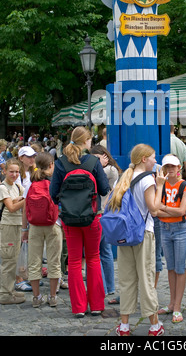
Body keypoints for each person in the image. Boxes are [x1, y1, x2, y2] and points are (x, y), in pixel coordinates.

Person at [49, 127, 110, 318]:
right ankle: (97, 305)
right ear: (86, 142)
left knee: (74, 262)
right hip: (92, 217)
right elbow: (104, 189)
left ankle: (78, 308)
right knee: (93, 258)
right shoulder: (93, 162)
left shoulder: (60, 163)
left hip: (69, 219)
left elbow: (53, 194)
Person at [110, 144, 168, 336]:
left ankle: (124, 325)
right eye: (152, 157)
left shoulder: (125, 177)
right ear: (144, 159)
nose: (155, 161)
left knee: (126, 279)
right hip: (143, 233)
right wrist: (160, 185)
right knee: (146, 278)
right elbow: (154, 209)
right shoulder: (147, 181)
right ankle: (154, 325)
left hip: (125, 235)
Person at [26, 152, 63, 308]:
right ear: (51, 165)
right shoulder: (55, 182)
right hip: (53, 224)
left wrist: (24, 229)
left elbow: (25, 207)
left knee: (34, 262)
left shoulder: (31, 182)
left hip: (34, 226)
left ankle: (36, 297)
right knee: (54, 262)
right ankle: (53, 296)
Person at [157, 154, 186, 323]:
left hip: (179, 229)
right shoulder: (160, 185)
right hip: (165, 228)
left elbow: (182, 211)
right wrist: (169, 209)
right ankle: (171, 303)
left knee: (180, 268)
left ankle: (177, 306)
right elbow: (155, 211)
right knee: (170, 267)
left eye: (173, 167)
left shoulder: (184, 185)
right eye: (167, 167)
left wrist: (163, 207)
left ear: (179, 168)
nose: (170, 170)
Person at [90, 144, 121, 297]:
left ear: (104, 156)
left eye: (96, 158)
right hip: (104, 212)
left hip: (102, 212)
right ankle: (109, 286)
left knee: (101, 252)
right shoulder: (107, 169)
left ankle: (104, 285)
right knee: (105, 251)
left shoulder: (109, 170)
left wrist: (98, 165)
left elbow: (100, 184)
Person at [0, 158, 26, 304]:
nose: (15, 174)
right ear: (4, 171)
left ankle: (10, 290)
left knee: (13, 260)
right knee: (8, 260)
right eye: (11, 171)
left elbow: (17, 201)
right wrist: (26, 199)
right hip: (7, 226)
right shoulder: (3, 187)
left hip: (16, 225)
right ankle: (4, 294)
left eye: (17, 172)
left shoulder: (17, 186)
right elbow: (11, 207)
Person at [15, 145, 38, 291]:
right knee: (18, 247)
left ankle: (26, 275)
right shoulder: (17, 174)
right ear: (21, 158)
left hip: (29, 213)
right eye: (29, 156)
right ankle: (19, 279)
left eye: (33, 156)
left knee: (27, 247)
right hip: (18, 215)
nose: (32, 159)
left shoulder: (33, 173)